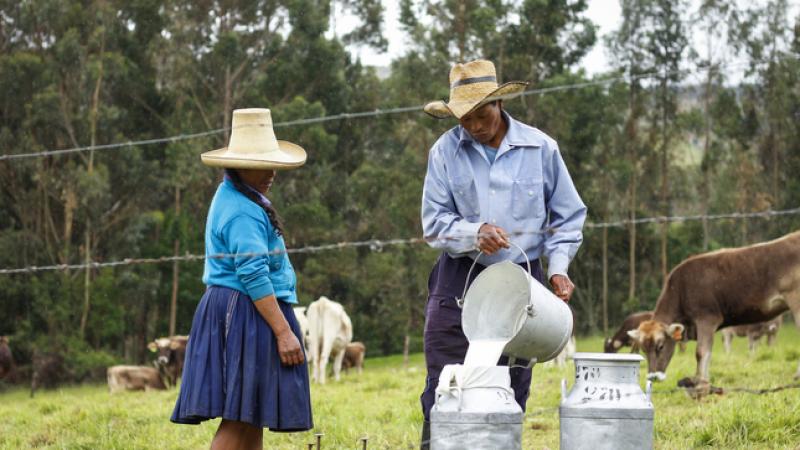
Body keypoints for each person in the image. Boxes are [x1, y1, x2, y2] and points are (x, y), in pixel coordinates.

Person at [419, 60, 587, 447]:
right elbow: (434, 222)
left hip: (523, 283)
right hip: (459, 279)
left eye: (483, 114)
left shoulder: (541, 148)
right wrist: (473, 232)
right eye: (465, 119)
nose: (475, 125)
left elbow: (567, 217)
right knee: (446, 383)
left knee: (510, 385)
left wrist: (559, 268)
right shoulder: (444, 152)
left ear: (499, 105)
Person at [171, 108, 313, 449]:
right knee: (238, 420)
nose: (272, 173)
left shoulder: (243, 197)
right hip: (245, 311)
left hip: (245, 308)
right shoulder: (241, 210)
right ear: (236, 164)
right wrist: (283, 332)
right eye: (261, 165)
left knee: (251, 417)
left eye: (272, 164)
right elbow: (253, 273)